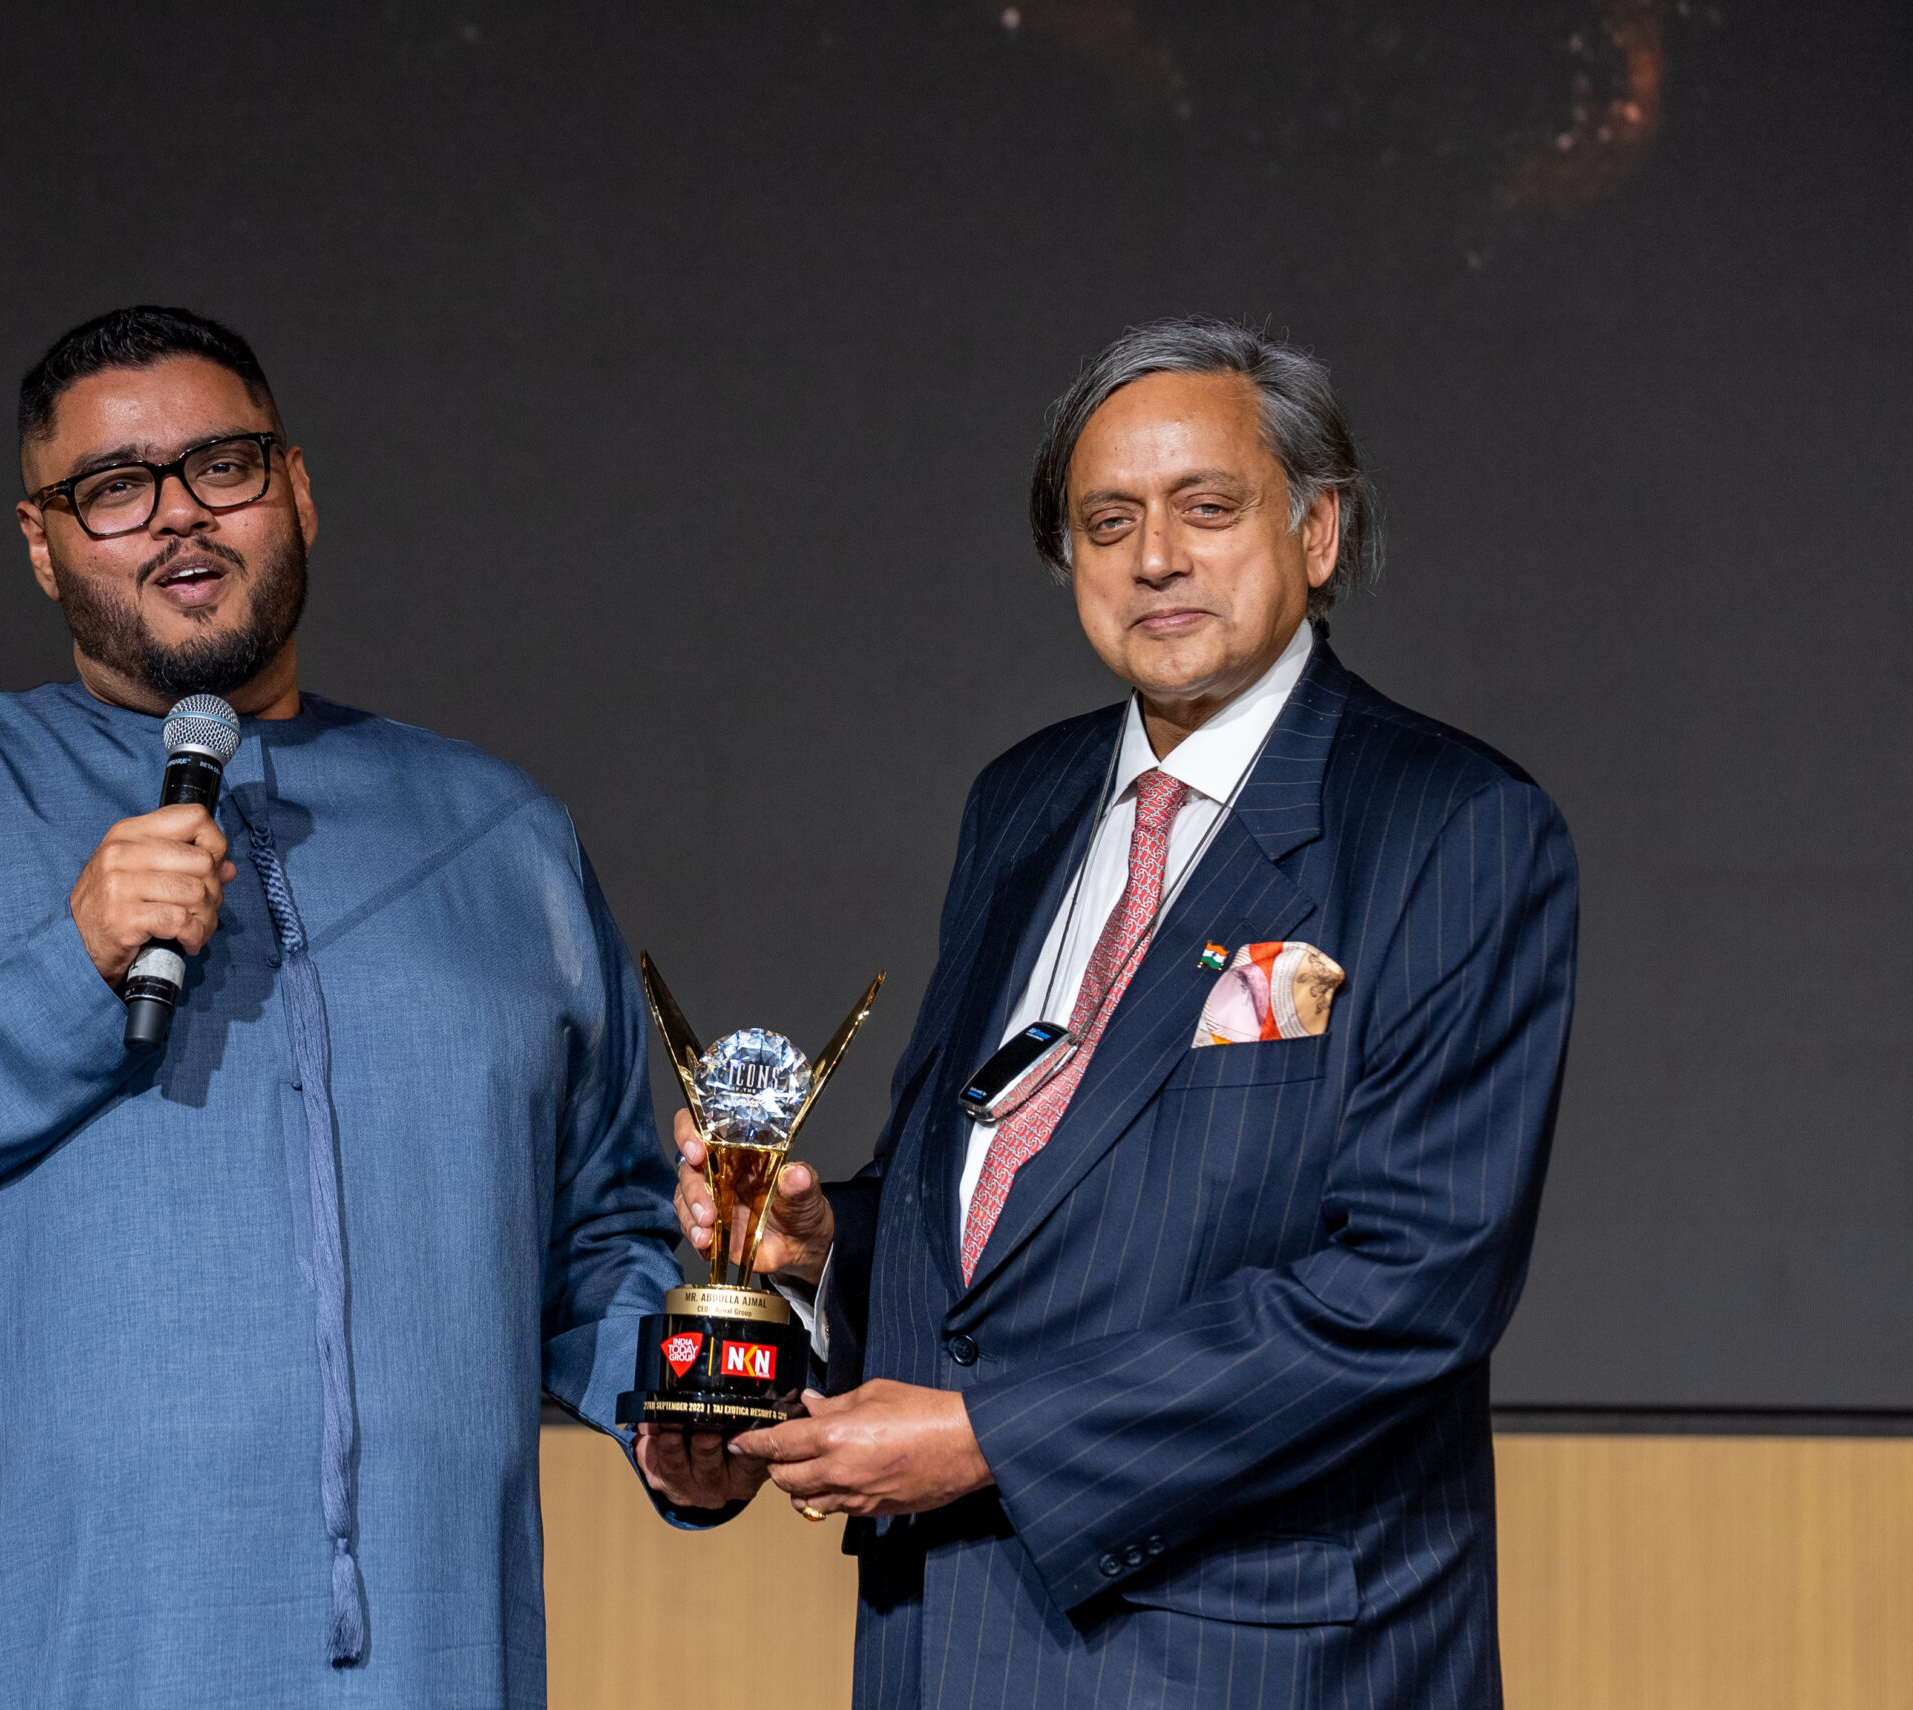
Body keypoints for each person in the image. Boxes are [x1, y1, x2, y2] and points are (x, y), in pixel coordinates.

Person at [0, 306, 698, 1707]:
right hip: (27, 1671)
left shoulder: (499, 833)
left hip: (426, 1666)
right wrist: (66, 967)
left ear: (299, 490)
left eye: (224, 466)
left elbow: (599, 1236)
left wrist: (682, 1411)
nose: (179, 516)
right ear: (41, 542)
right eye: (114, 487)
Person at [670, 317, 1579, 1707]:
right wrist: (825, 1245)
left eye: (1206, 508)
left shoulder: (1452, 825)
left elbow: (1406, 1291)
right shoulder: (1023, 801)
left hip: (1259, 1660)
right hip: (948, 1643)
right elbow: (1009, 1207)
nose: (1155, 557)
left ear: (1319, 532)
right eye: (1109, 522)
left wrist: (994, 1438)